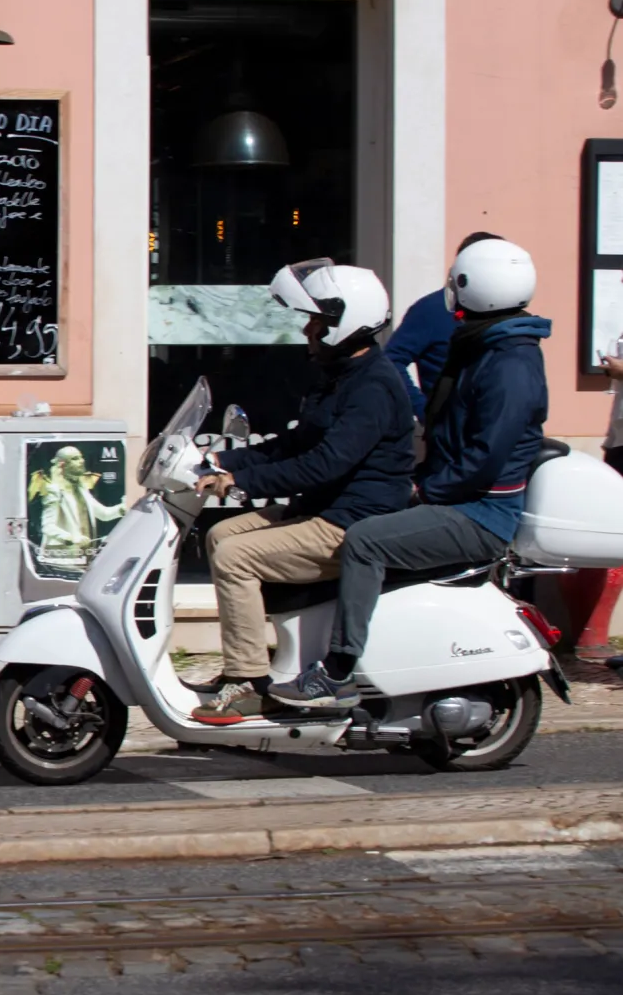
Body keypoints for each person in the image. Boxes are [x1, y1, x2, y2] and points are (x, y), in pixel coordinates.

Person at [273, 238, 550, 710]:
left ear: (471, 288)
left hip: (480, 514)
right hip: (462, 498)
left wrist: (425, 489)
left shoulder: (510, 365)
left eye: (456, 283)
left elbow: (484, 455)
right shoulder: (491, 347)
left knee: (365, 539)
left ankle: (338, 671)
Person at [188, 262, 414, 723]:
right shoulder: (339, 377)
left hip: (348, 522)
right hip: (321, 510)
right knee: (220, 537)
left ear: (345, 324)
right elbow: (294, 444)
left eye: (318, 321)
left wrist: (243, 483)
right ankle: (263, 660)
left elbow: (325, 464)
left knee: (236, 557)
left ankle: (249, 682)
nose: (308, 329)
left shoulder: (373, 388)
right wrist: (223, 461)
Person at [384, 230, 505, 415]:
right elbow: (392, 360)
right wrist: (424, 411)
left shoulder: (505, 312)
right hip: (450, 432)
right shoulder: (431, 310)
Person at [29, 444, 124, 575]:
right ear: (63, 465)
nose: (82, 461)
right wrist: (72, 538)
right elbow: (48, 526)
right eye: (75, 458)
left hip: (84, 557)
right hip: (62, 559)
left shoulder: (81, 490)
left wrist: (122, 509)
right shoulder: (54, 491)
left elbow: (103, 514)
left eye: (81, 457)